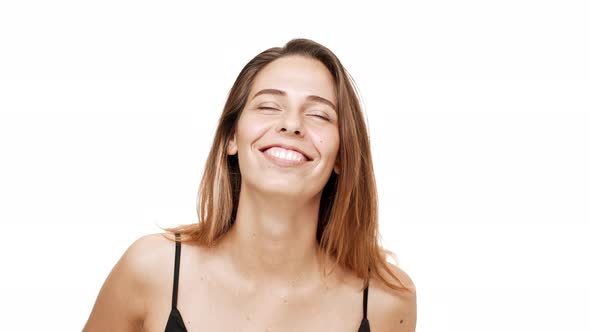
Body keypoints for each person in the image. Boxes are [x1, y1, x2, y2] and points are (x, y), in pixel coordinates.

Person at [83, 38, 417, 332]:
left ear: (342, 156)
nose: (291, 124)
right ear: (231, 136)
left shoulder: (387, 301)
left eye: (319, 115)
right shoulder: (151, 269)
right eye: (269, 106)